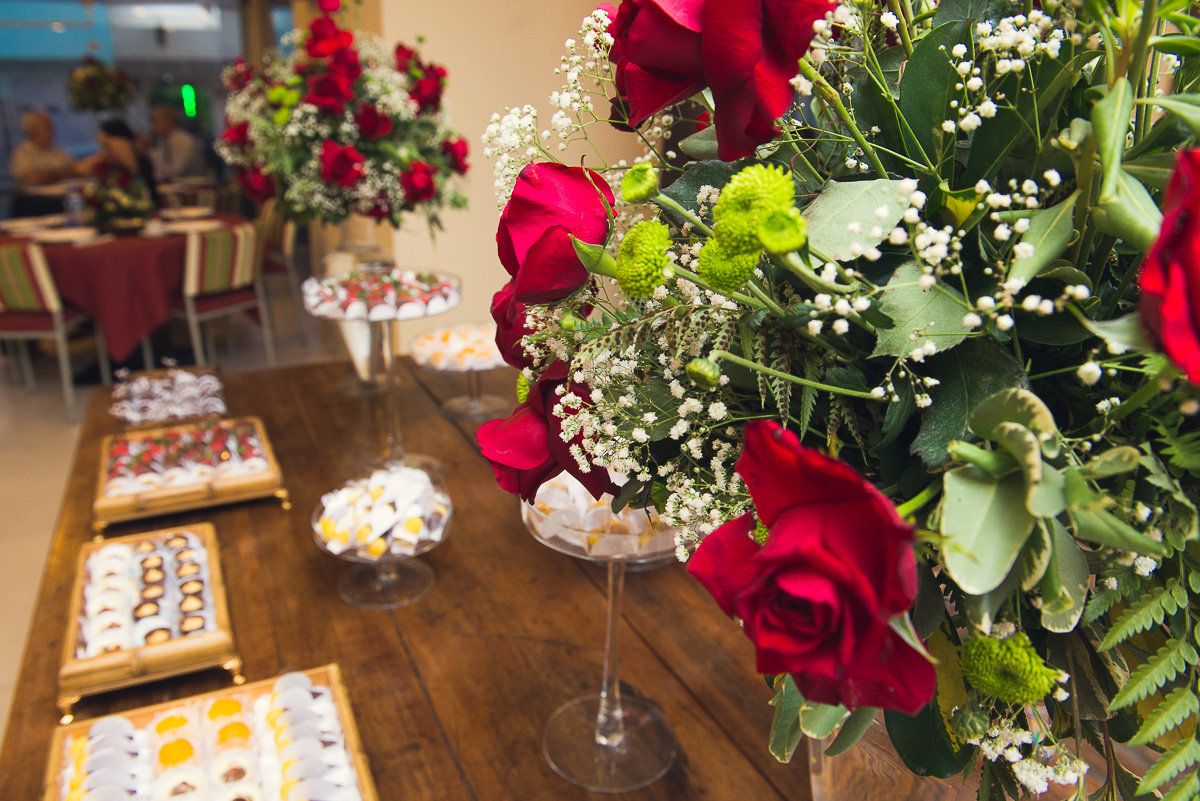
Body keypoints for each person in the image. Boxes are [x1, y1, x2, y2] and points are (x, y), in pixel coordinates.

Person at [8, 111, 83, 217]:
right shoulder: (21, 153)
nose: (52, 129)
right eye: (47, 125)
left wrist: (50, 174)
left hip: (62, 202)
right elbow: (34, 178)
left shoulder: (58, 151)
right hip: (35, 208)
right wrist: (62, 173)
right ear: (32, 129)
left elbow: (75, 170)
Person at [97, 119, 162, 208]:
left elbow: (135, 172)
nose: (104, 152)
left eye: (107, 146)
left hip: (144, 205)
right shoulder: (110, 164)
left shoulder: (138, 159)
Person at [147, 105, 206, 181]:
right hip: (178, 184)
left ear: (167, 122)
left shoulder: (184, 141)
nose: (151, 126)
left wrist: (149, 150)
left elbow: (175, 172)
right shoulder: (165, 142)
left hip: (192, 185)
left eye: (154, 121)